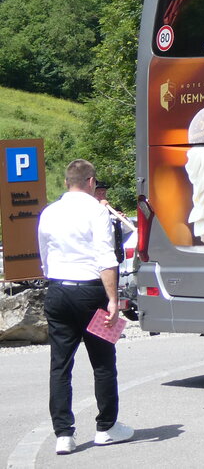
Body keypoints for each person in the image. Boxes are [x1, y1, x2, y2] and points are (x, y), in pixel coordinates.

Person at [37, 159, 134, 454]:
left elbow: (44, 254)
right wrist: (114, 301)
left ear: (67, 182)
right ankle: (106, 427)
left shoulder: (49, 212)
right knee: (103, 361)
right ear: (91, 182)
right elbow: (106, 258)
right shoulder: (96, 210)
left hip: (58, 289)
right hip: (91, 291)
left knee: (60, 365)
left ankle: (63, 434)